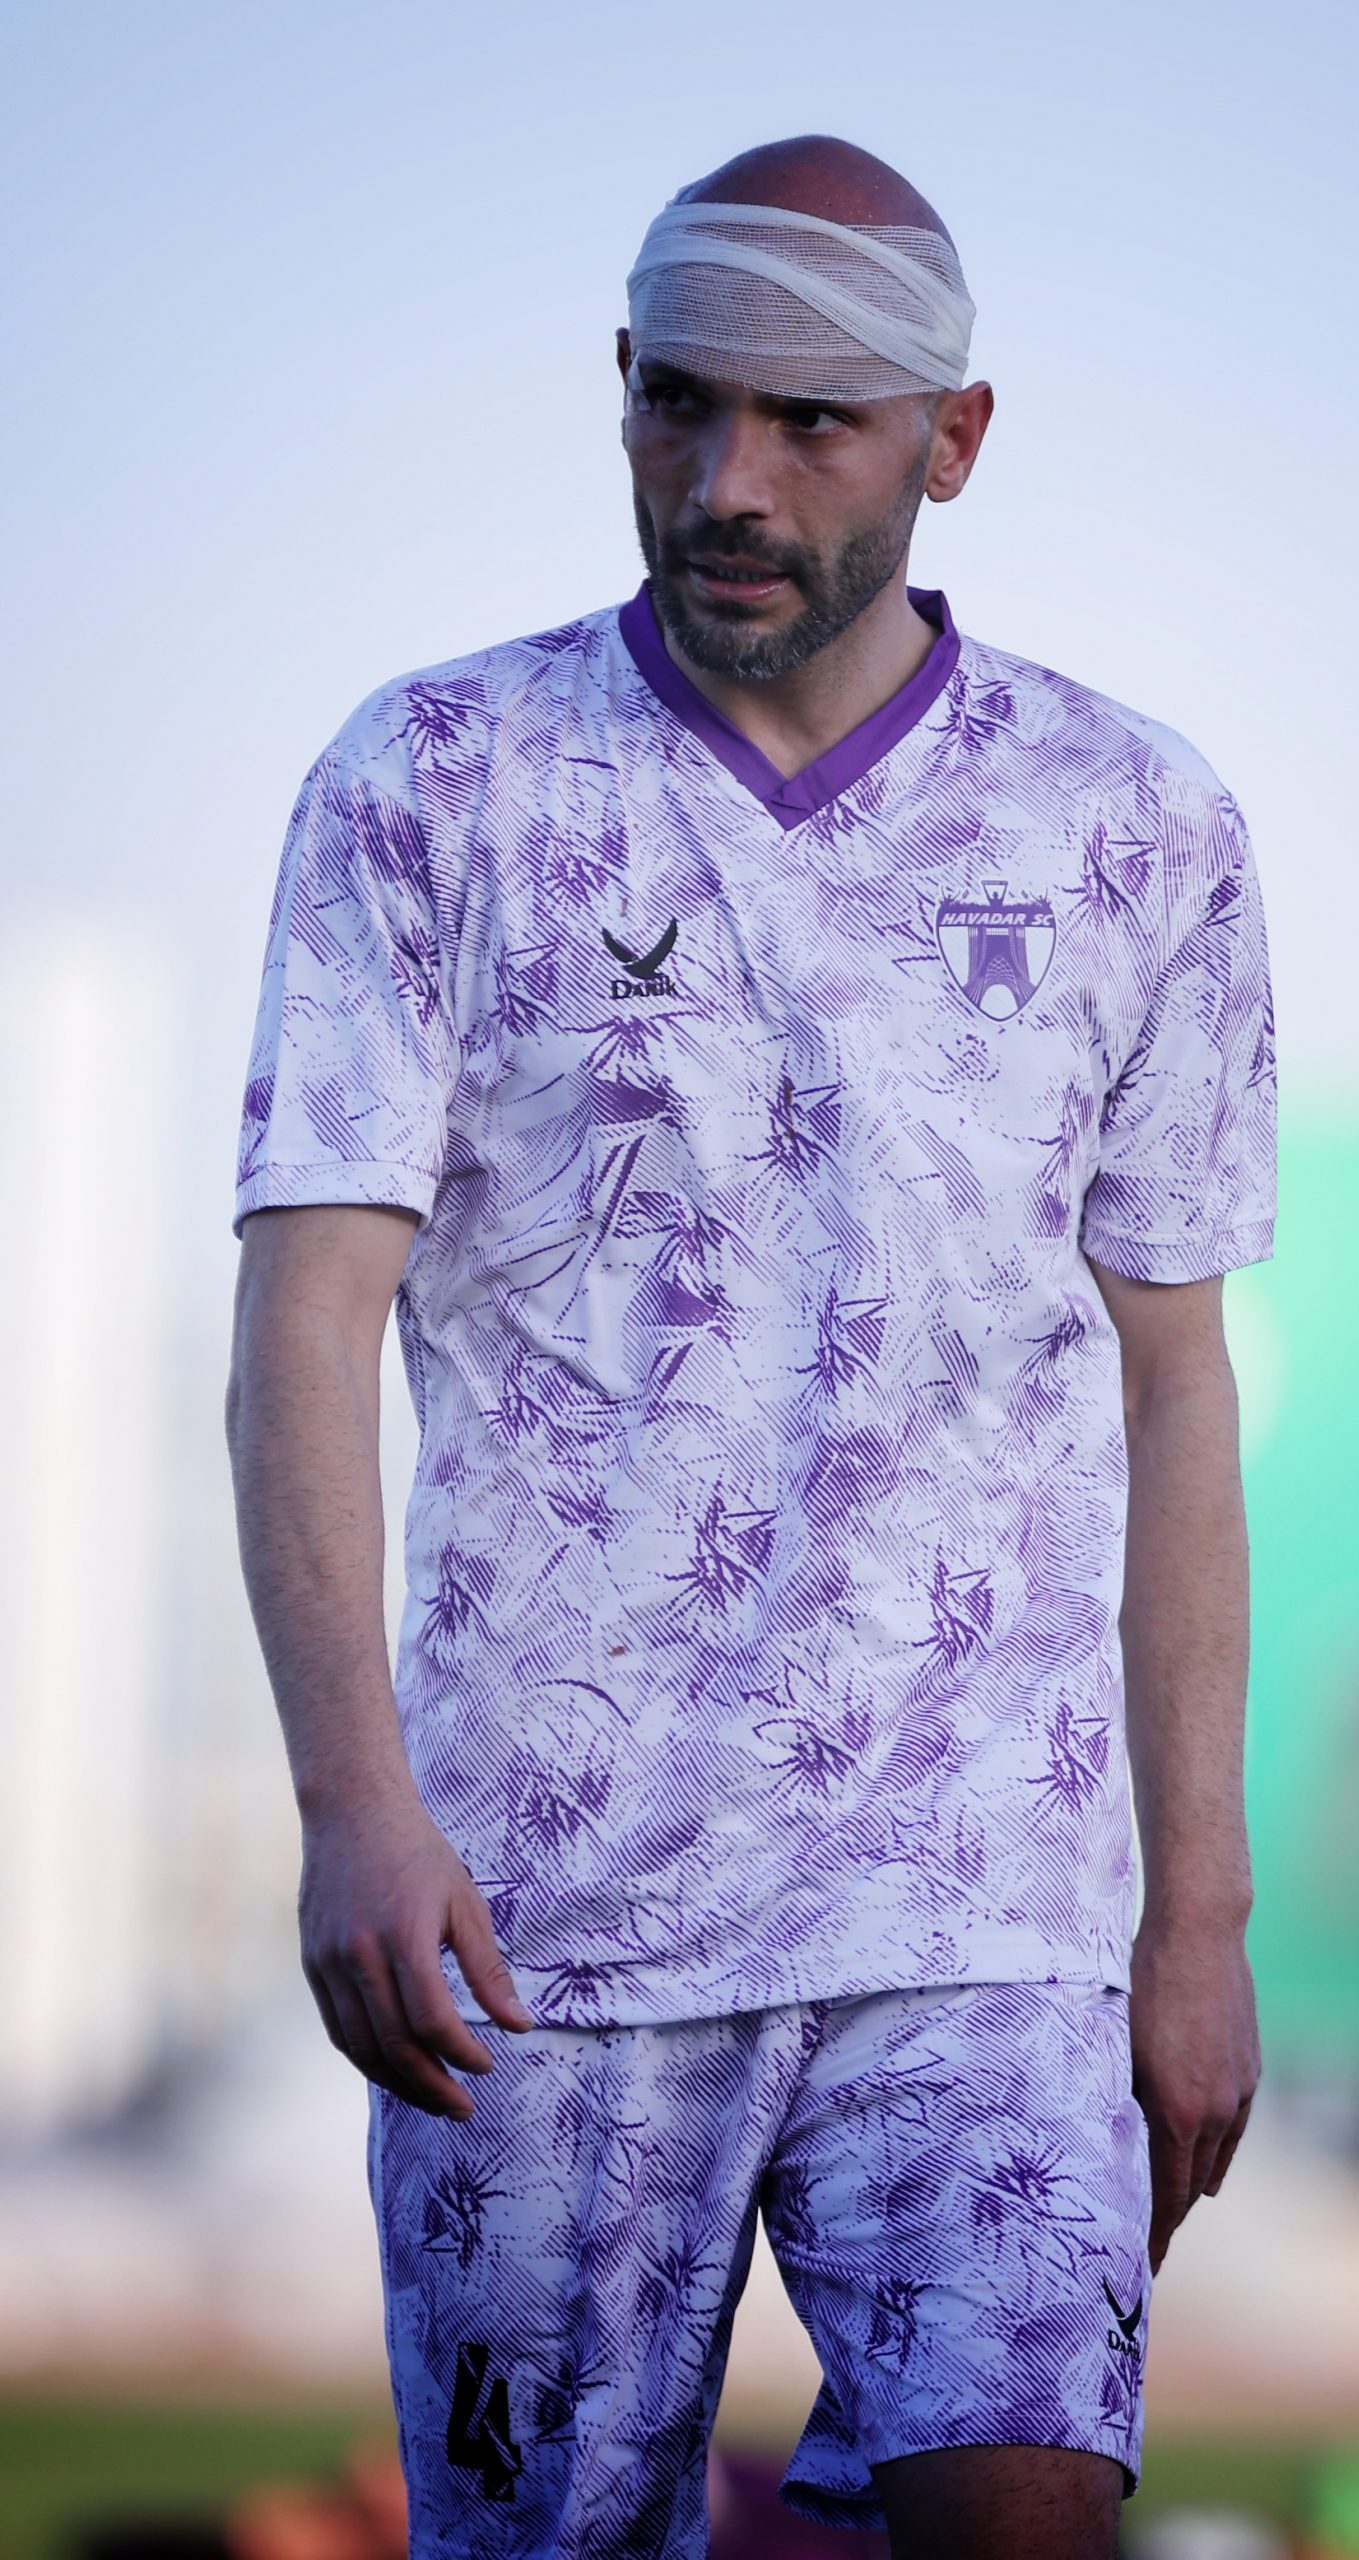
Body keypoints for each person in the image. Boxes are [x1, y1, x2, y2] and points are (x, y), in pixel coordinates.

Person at [226, 131, 1277, 2560]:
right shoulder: (431, 780)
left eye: (810, 421)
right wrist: (349, 1796)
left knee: (1032, 2516)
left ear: (951, 438)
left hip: (984, 1909)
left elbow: (1173, 1383)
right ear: (619, 384)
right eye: (679, 402)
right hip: (539, 1928)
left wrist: (1197, 1913)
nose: (728, 479)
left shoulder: (1139, 824)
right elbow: (305, 1306)